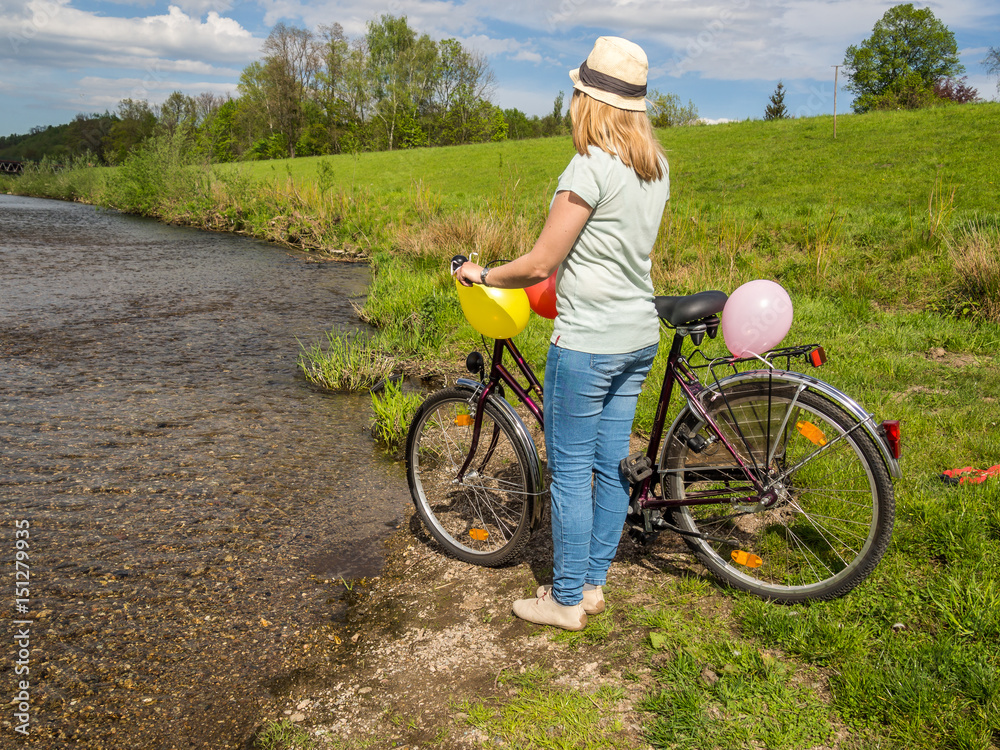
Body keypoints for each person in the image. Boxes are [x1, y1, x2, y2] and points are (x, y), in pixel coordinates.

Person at [454, 36, 669, 631]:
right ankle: (593, 584)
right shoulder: (655, 168)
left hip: (589, 343)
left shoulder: (589, 167)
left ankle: (565, 598)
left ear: (587, 101)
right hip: (636, 334)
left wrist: (482, 273)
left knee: (571, 471)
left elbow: (540, 265)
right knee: (609, 464)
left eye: (576, 92)